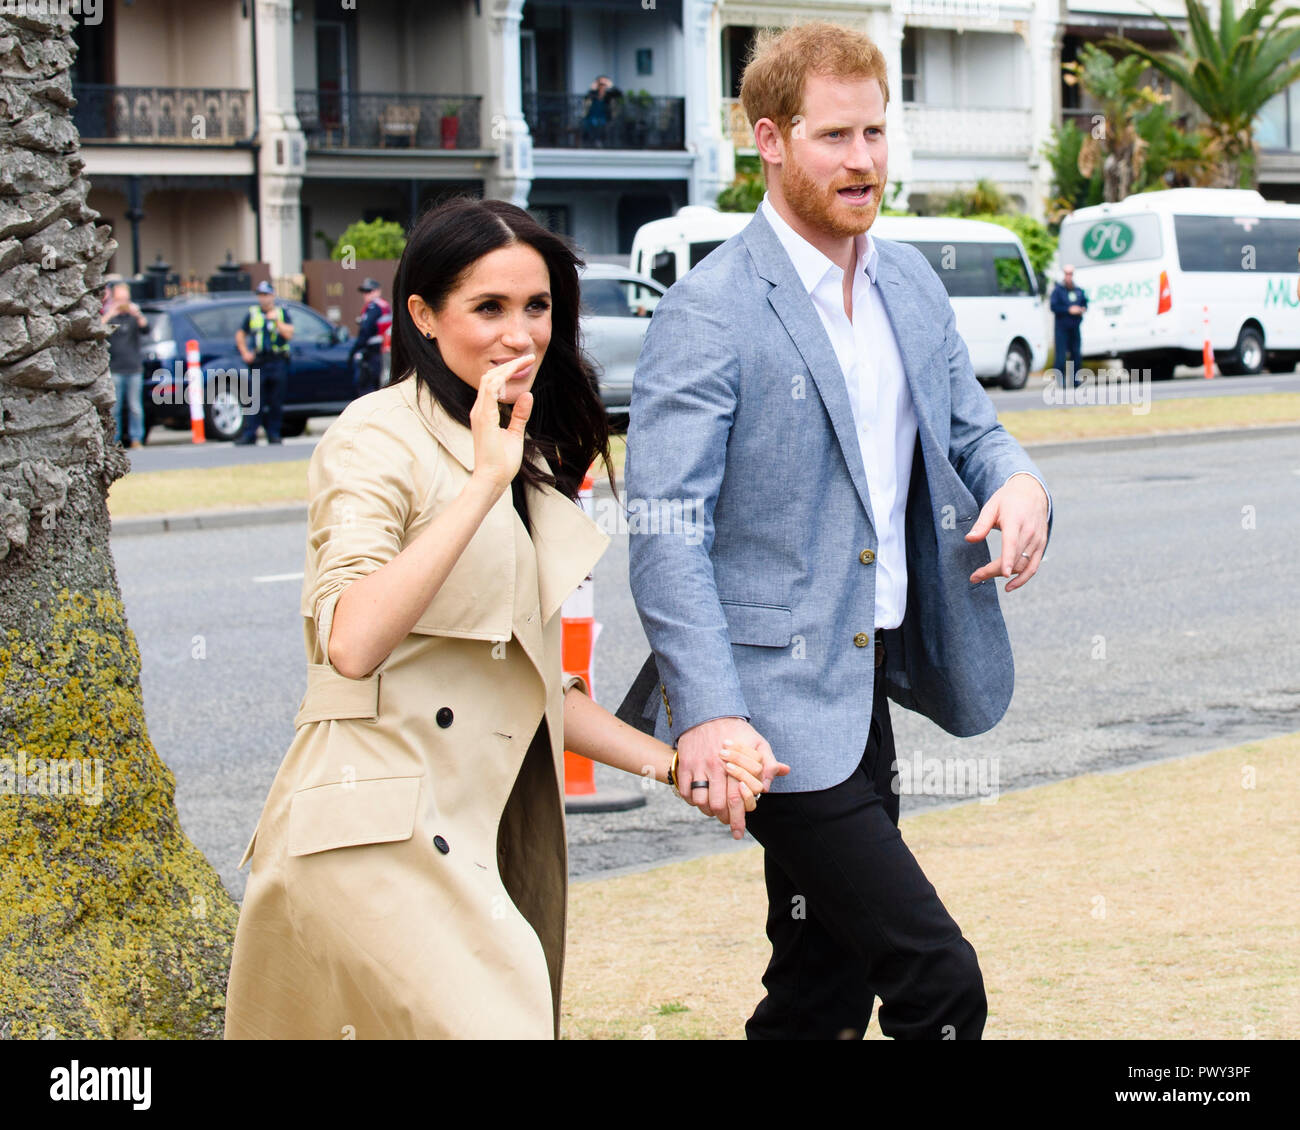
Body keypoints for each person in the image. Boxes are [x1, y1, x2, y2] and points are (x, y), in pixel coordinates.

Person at [223, 196, 787, 1040]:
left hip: (472, 834)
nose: (520, 334)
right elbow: (350, 639)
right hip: (369, 844)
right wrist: (483, 483)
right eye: (488, 308)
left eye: (538, 307)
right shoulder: (375, 437)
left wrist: (674, 767)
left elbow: (536, 690)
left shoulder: (518, 453)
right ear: (423, 314)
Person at [619, 21, 1053, 1041]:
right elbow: (664, 527)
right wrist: (711, 713)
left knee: (820, 988)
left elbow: (972, 430)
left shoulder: (905, 279)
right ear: (768, 140)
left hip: (865, 687)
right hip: (765, 711)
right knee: (937, 980)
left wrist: (1022, 484)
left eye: (874, 132)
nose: (862, 160)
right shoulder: (710, 309)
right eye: (833, 136)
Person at [234, 281, 294, 444]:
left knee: (276, 401)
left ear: (273, 296)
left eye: (266, 295)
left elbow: (289, 334)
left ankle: (273, 434)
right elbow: (240, 334)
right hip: (260, 362)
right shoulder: (253, 313)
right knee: (255, 401)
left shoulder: (281, 313)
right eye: (261, 295)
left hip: (278, 360)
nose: (264, 299)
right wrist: (245, 352)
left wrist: (276, 321)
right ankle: (250, 434)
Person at [102, 281, 148, 449]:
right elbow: (98, 330)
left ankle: (137, 438)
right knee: (115, 408)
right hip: (115, 368)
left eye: (125, 299)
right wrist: (110, 313)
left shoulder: (133, 317)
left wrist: (137, 314)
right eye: (119, 299)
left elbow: (146, 328)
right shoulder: (110, 317)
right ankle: (115, 440)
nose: (123, 303)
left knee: (135, 407)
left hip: (134, 368)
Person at [348, 277, 392, 397]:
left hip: (373, 353)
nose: (366, 295)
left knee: (367, 389)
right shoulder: (385, 306)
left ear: (378, 291)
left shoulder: (374, 307)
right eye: (365, 292)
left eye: (369, 291)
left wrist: (354, 351)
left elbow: (365, 331)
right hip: (384, 351)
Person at [1049, 263, 1088, 388]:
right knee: (1061, 355)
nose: (1069, 276)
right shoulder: (1058, 291)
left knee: (1076, 354)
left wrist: (1081, 309)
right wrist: (1068, 310)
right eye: (1067, 274)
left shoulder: (1078, 290)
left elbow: (1085, 303)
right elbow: (1053, 307)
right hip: (1061, 328)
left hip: (1074, 327)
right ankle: (1060, 381)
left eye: (1071, 274)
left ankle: (1076, 380)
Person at [580, 74, 622, 147]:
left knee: (603, 125)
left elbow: (619, 94)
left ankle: (601, 142)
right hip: (592, 116)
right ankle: (593, 142)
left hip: (605, 116)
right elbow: (587, 97)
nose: (602, 86)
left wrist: (611, 85)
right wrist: (592, 89)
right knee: (589, 124)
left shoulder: (609, 94)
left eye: (604, 84)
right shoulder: (593, 94)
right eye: (600, 84)